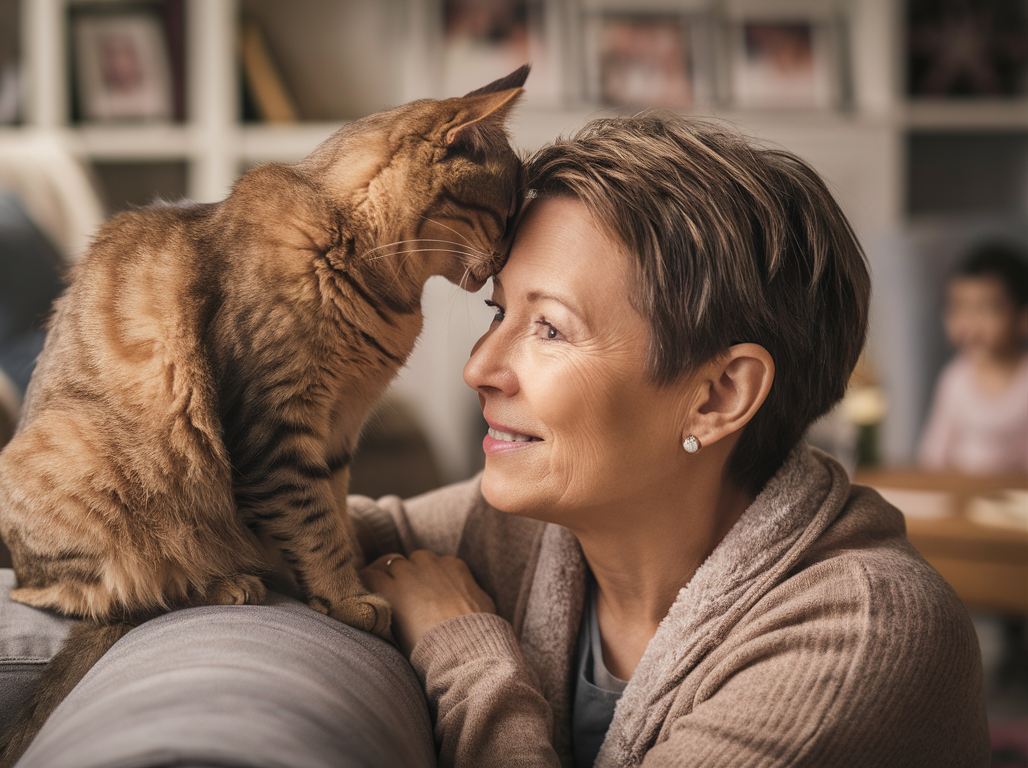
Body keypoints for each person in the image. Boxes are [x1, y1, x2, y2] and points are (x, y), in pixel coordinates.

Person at [357, 114, 989, 767]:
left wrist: (461, 651)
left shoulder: (860, 640)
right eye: (499, 311)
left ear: (718, 397)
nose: (478, 369)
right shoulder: (522, 538)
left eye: (549, 329)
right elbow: (286, 535)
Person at [918, 241, 1028, 474]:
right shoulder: (955, 379)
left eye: (986, 309)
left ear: (1022, 316)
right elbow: (933, 457)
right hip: (960, 500)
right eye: (959, 308)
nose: (970, 324)